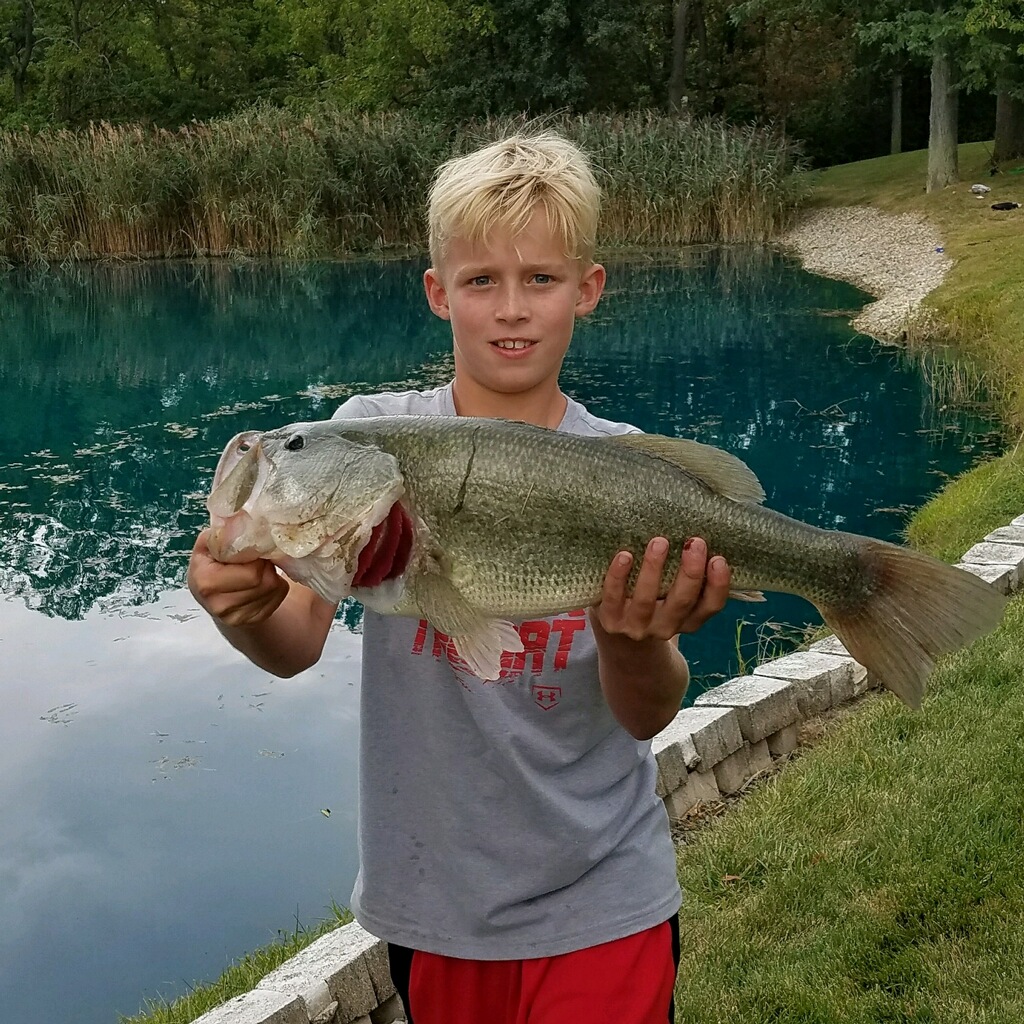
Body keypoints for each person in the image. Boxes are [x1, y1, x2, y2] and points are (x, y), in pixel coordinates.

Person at [188, 131, 732, 1024]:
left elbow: (648, 710)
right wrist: (242, 611)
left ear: (586, 291)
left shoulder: (631, 467)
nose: (511, 309)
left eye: (541, 279)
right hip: (436, 913)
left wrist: (633, 642)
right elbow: (289, 645)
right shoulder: (367, 436)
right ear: (440, 293)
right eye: (482, 281)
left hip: (604, 898)